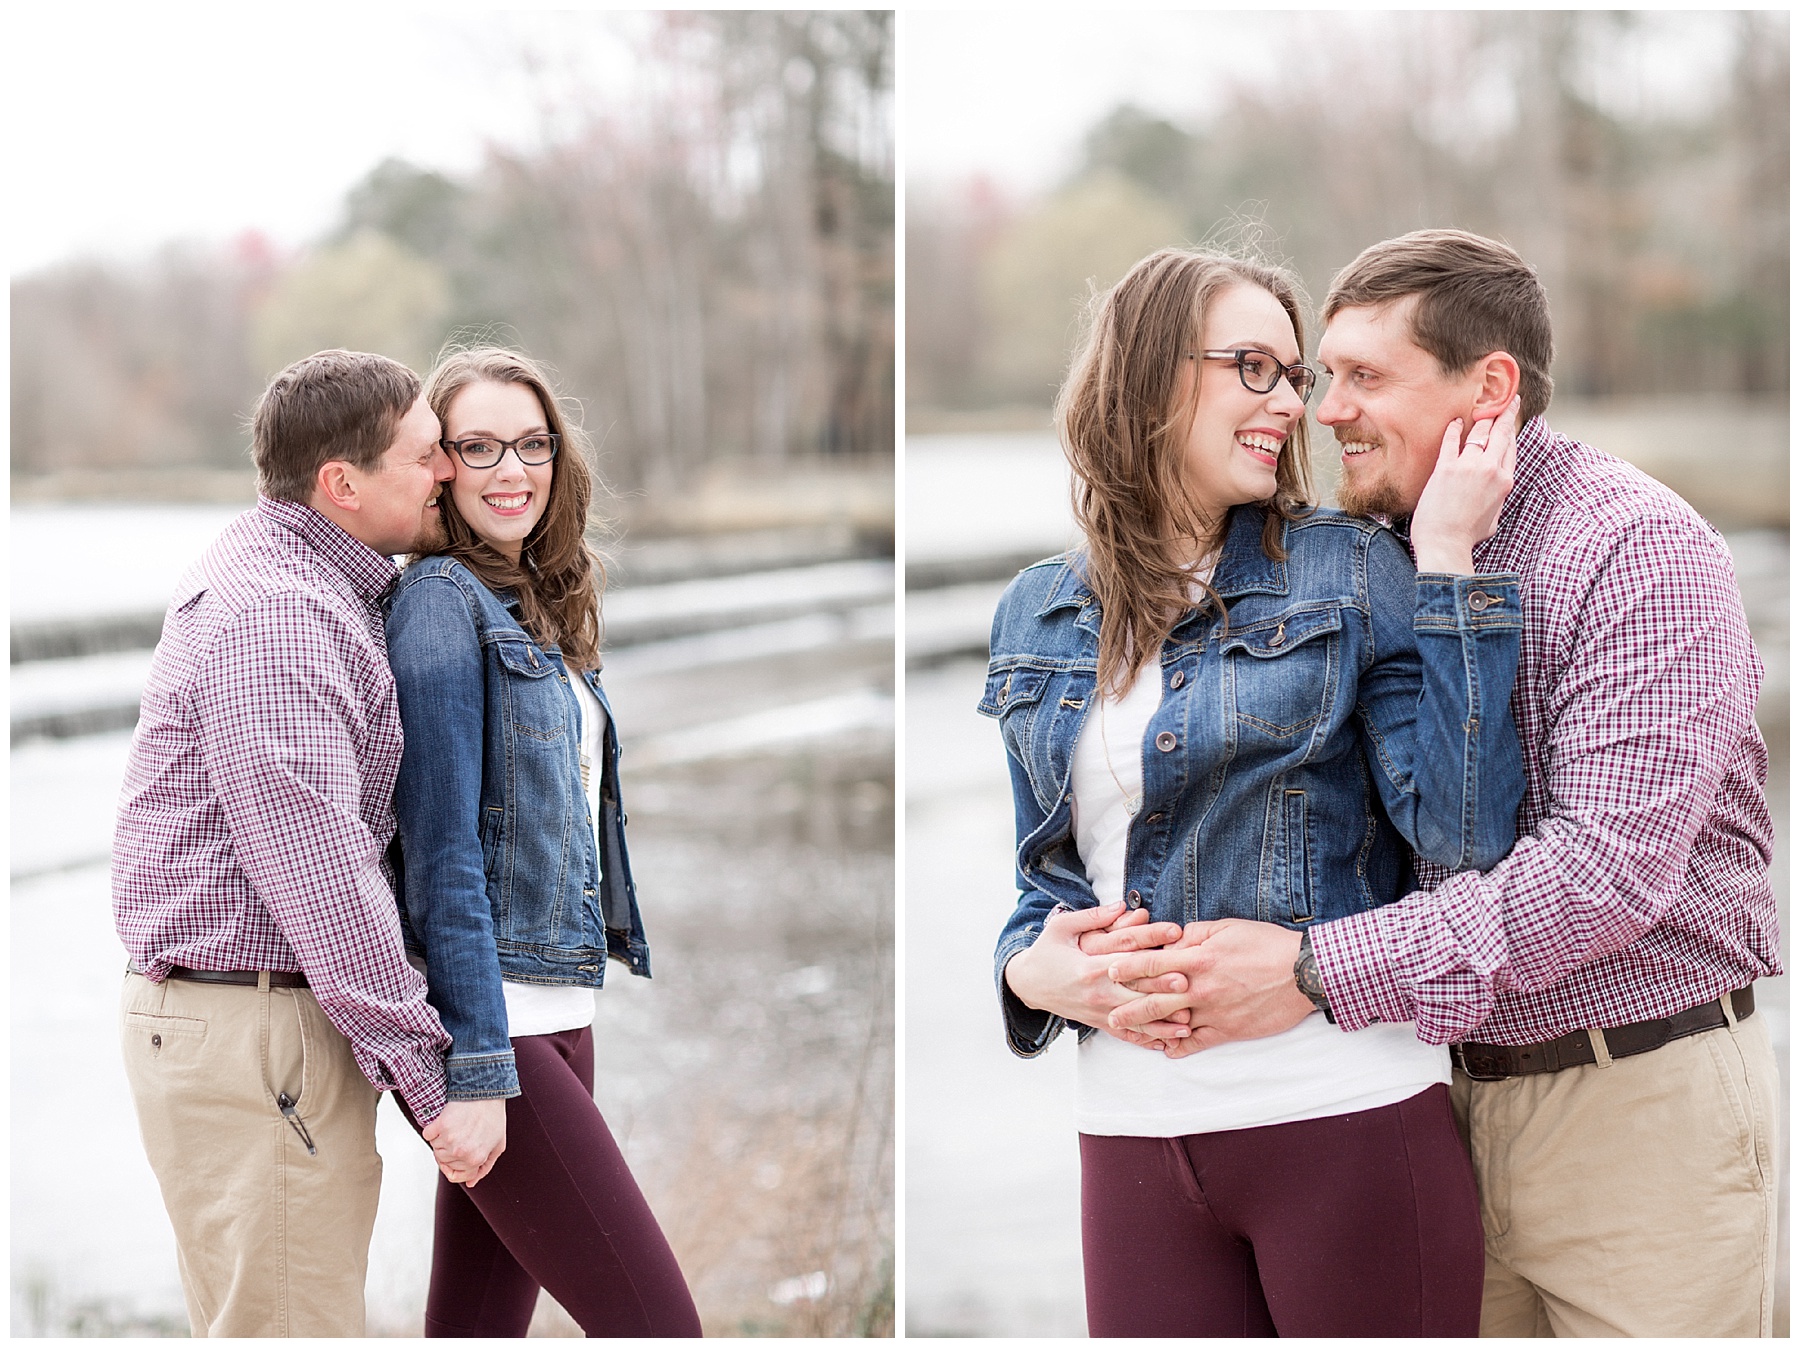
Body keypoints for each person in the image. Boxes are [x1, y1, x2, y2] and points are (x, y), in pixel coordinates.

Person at [1106, 229, 1783, 1337]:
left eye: (1367, 377)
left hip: (1641, 1106)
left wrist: (1316, 967)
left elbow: (1604, 877)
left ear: (1491, 388)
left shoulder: (1639, 549)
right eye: (1326, 378)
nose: (1325, 412)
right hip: (1440, 1103)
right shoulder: (1375, 557)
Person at [985, 246, 1525, 1336]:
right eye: (1255, 367)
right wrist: (1028, 971)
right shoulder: (1034, 610)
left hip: (1344, 1117)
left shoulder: (1353, 568)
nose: (1294, 405)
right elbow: (1048, 879)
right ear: (1149, 376)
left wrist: (1453, 567)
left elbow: (1464, 836)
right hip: (1128, 1133)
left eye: (1294, 374)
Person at [114, 348, 498, 1337]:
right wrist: (429, 1075)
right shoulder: (285, 613)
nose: (448, 470)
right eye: (425, 455)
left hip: (244, 1023)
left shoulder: (285, 575)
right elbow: (321, 871)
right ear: (342, 483)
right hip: (259, 1031)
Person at [385, 346, 702, 1337]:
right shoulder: (441, 604)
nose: (511, 470)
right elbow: (440, 853)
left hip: (557, 1005)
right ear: (439, 465)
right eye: (477, 447)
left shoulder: (528, 601)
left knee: (476, 1324)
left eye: (531, 444)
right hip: (498, 1024)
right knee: (657, 1323)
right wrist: (476, 1063)